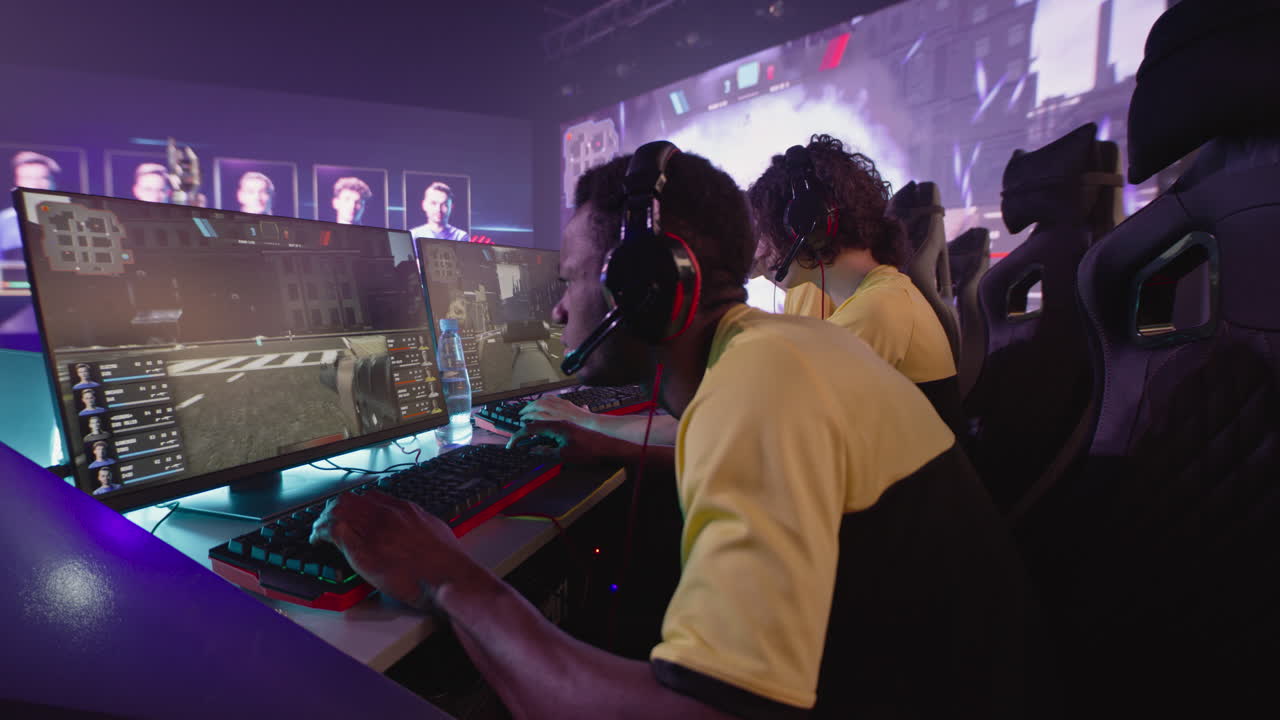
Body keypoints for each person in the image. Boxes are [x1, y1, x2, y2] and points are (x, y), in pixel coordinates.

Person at [309, 148, 1032, 718]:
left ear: (644, 281)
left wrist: (445, 574)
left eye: (571, 281)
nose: (559, 312)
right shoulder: (772, 354)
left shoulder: (758, 388)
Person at [747, 134, 964, 435]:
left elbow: (770, 417)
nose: (759, 248)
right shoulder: (824, 294)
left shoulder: (882, 308)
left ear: (807, 227)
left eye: (766, 232)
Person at [0, 151, 60, 258]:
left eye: (43, 177)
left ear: (54, 183)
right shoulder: (3, 222)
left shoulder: (68, 220)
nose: (36, 184)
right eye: (28, 178)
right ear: (16, 182)